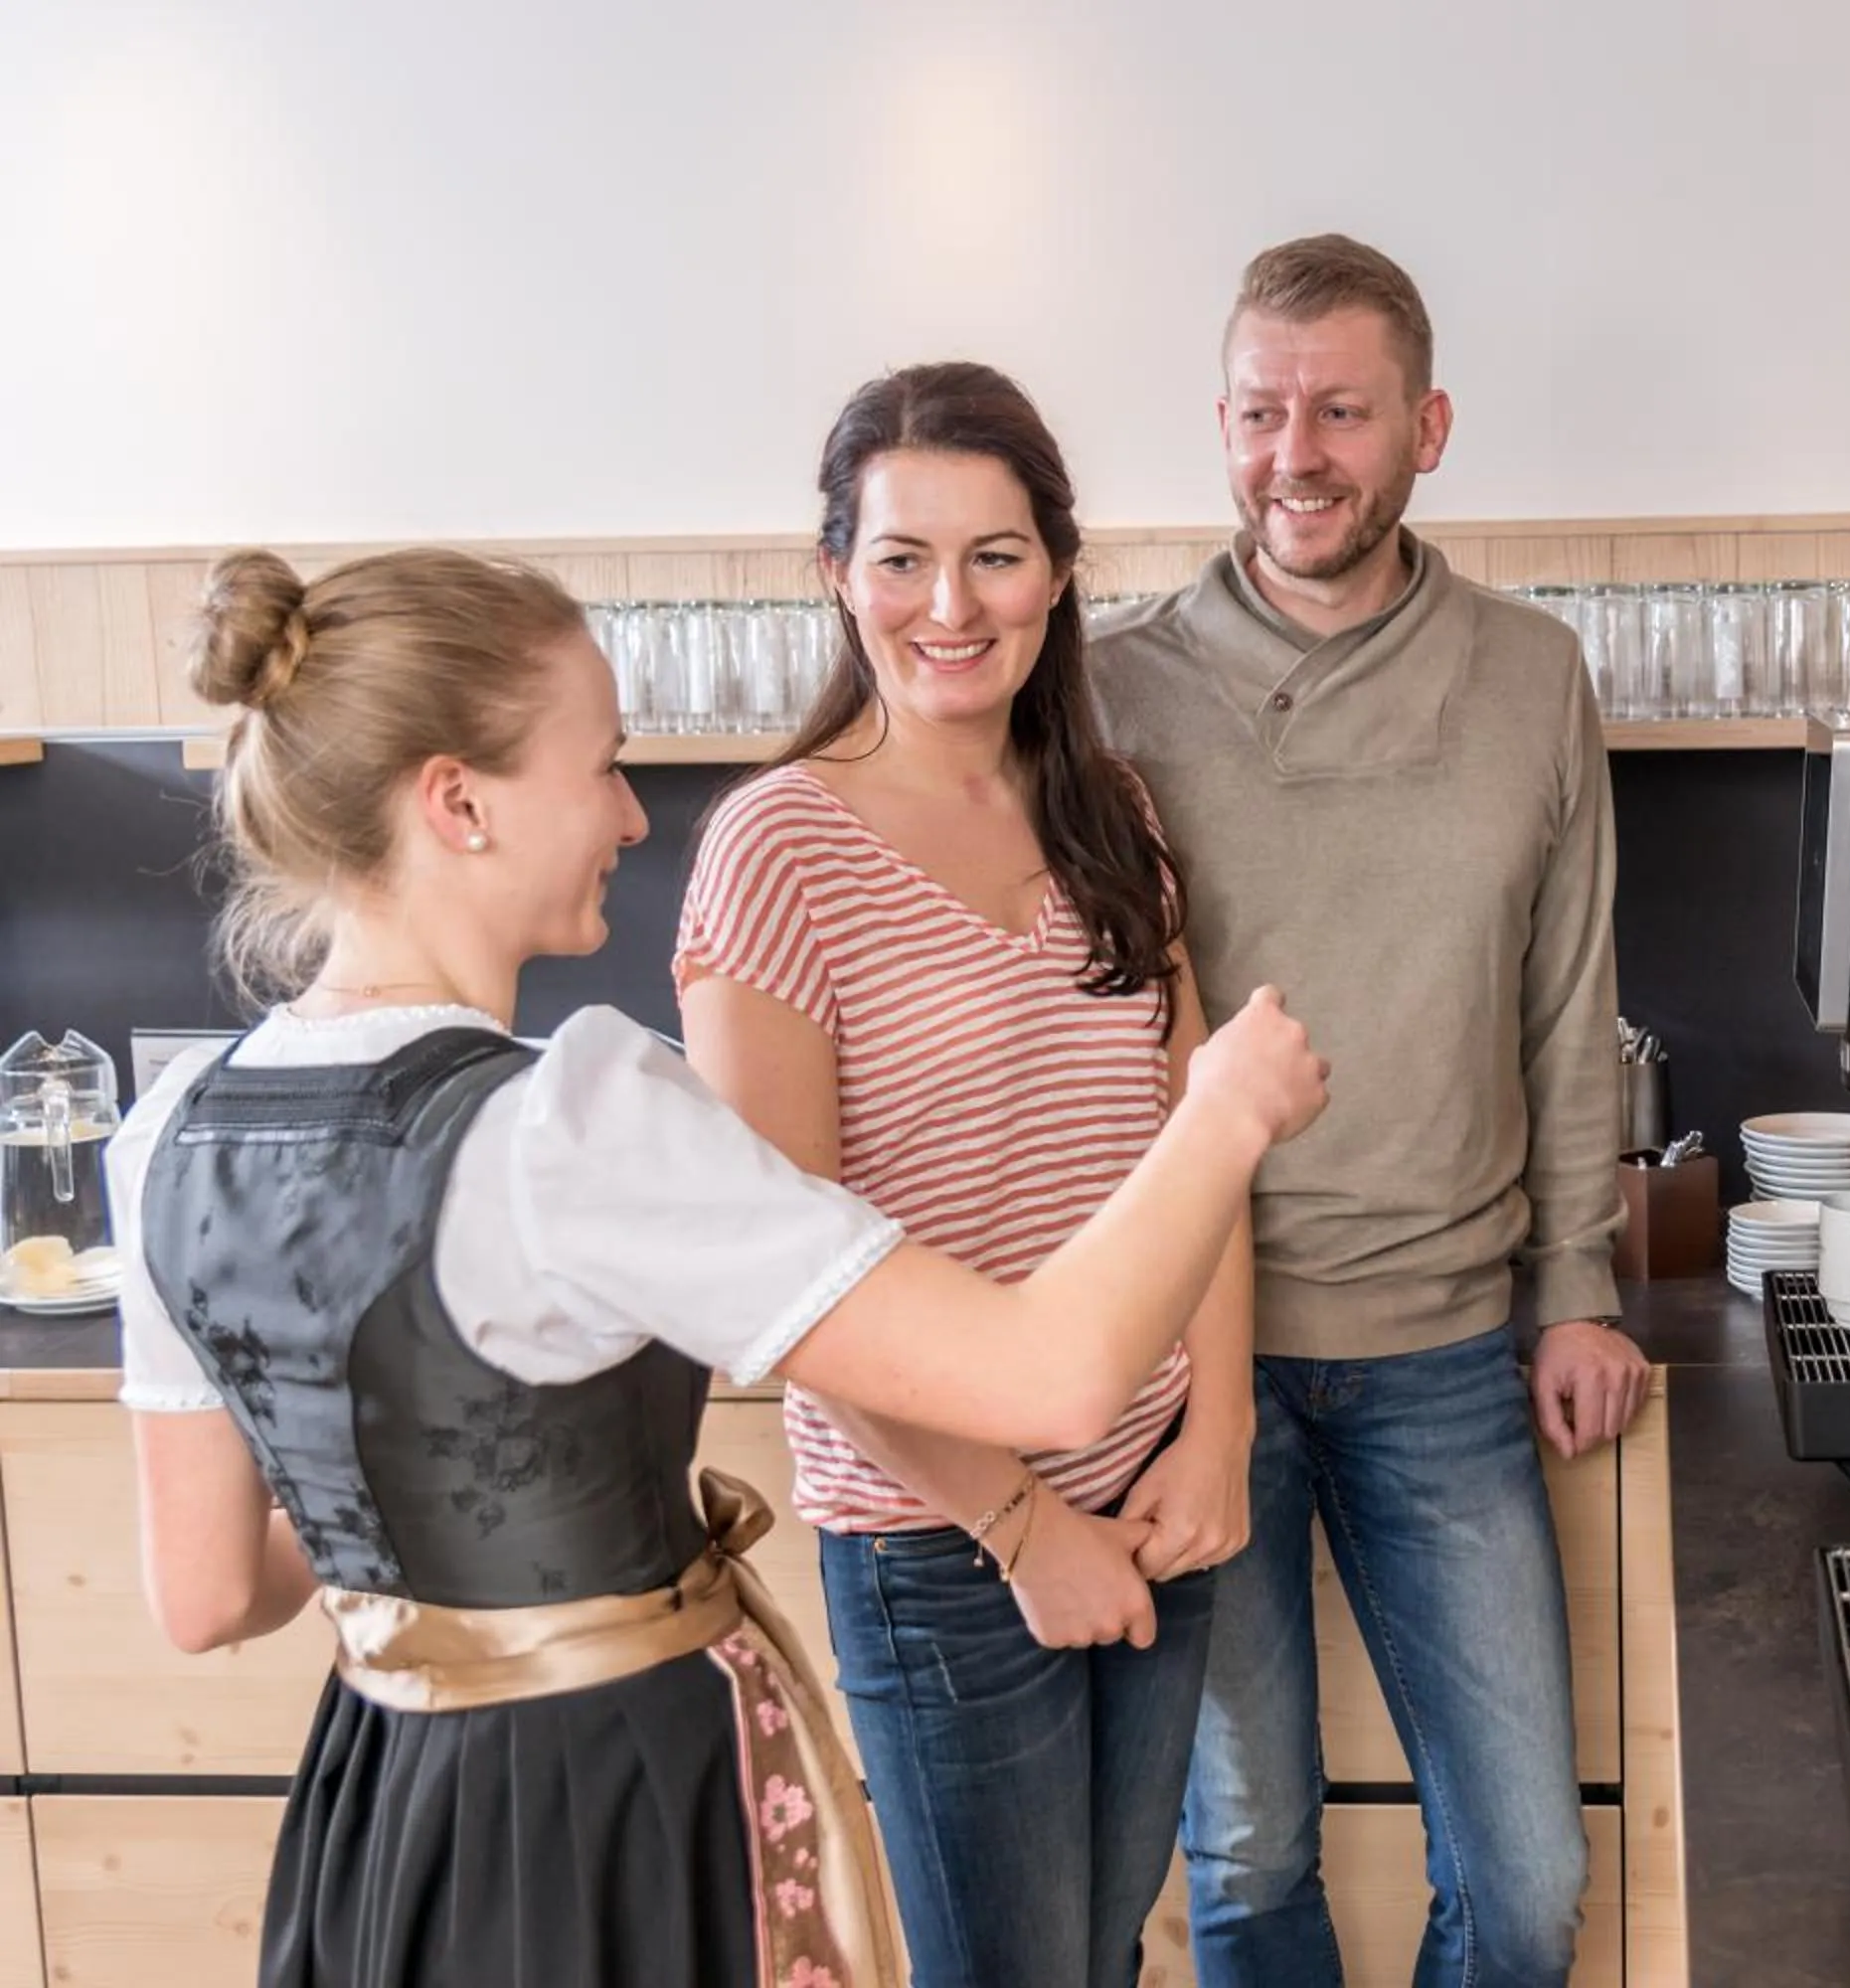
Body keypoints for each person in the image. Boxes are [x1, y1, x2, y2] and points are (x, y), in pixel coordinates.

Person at [112, 544, 1326, 1988]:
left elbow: (208, 1595)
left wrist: (422, 1500)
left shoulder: (169, 1132)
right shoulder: (576, 1119)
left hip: (385, 1807)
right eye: (602, 768)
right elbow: (1051, 1377)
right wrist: (1222, 1116)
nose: (633, 816)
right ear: (459, 803)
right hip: (608, 1799)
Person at [1092, 233, 1648, 1987]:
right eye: (1261, 412)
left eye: (1341, 411)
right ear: (1221, 424)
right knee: (1248, 1857)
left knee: (1531, 1883)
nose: (1296, 454)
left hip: (1446, 1355)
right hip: (1191, 1367)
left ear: (1429, 428)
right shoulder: (1105, 689)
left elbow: (1568, 1005)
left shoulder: (1533, 674)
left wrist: (1579, 1286)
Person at [676, 361, 1254, 1987]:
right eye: (902, 558)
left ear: (1057, 574)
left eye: (995, 556)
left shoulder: (1112, 814)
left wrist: (1218, 1434)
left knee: (1101, 1958)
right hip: (938, 1541)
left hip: (1155, 1499)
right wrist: (1019, 1526)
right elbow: (785, 1286)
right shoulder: (776, 849)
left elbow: (1197, 1148)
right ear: (835, 574)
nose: (950, 605)